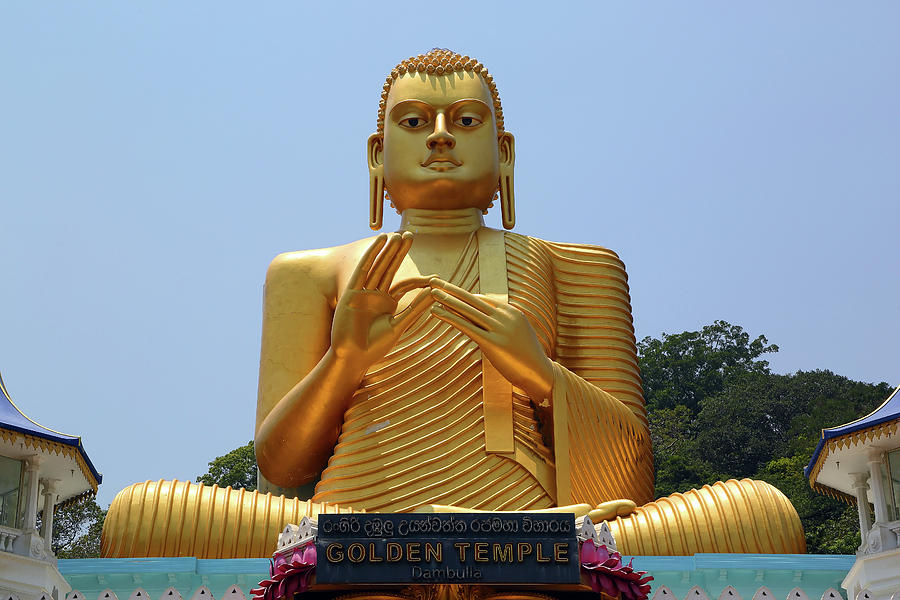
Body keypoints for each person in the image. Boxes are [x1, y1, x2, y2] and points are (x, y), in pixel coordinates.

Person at [101, 49, 805, 558]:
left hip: (540, 527)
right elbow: (284, 468)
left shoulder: (574, 266)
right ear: (378, 155)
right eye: (415, 122)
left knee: (763, 514)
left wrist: (540, 375)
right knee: (138, 518)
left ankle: (497, 546)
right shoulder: (310, 272)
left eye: (466, 120)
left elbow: (631, 473)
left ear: (504, 152)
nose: (441, 135)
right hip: (345, 525)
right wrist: (344, 360)